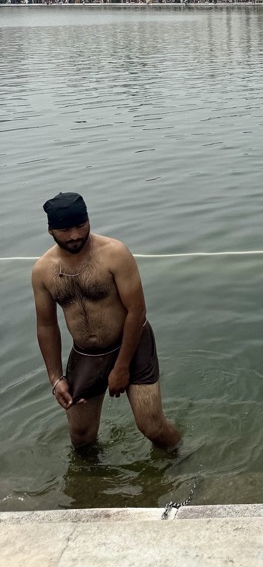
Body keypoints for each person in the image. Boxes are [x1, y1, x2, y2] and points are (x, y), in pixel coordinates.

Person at [32, 192, 180, 450]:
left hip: (132, 344)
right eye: (66, 229)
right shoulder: (43, 271)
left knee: (152, 427)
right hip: (87, 354)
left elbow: (137, 311)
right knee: (81, 437)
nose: (76, 235)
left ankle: (182, 461)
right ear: (51, 230)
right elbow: (46, 325)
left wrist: (121, 367)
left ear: (89, 219)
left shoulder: (114, 253)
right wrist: (55, 378)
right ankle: (95, 484)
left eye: (81, 225)